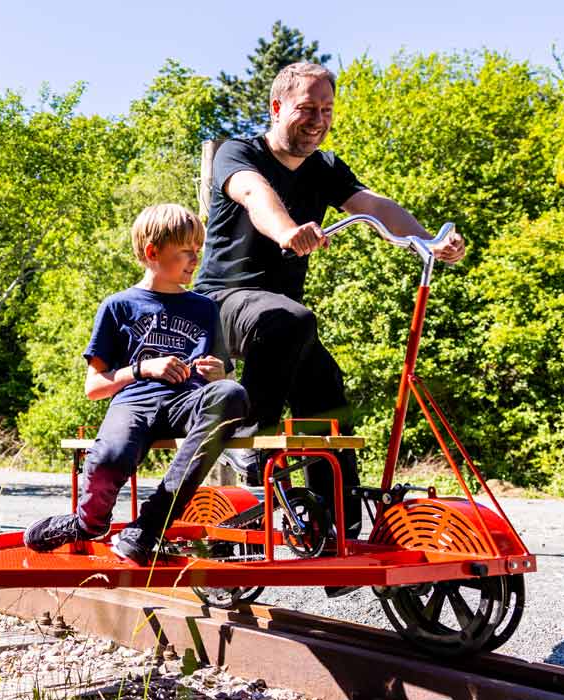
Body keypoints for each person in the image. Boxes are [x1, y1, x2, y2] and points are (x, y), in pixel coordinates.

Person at [196, 62, 467, 541]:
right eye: (306, 108)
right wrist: (286, 232)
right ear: (277, 108)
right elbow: (255, 194)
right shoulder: (239, 153)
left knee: (326, 391)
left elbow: (374, 207)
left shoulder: (324, 167)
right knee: (290, 317)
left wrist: (428, 241)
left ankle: (336, 531)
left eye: (326, 109)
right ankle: (245, 436)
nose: (317, 120)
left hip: (281, 322)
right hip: (221, 303)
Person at [23, 203, 249, 566]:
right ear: (152, 253)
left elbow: (225, 380)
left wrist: (219, 374)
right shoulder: (118, 307)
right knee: (109, 459)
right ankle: (85, 524)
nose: (195, 259)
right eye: (186, 252)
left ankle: (147, 528)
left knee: (232, 394)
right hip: (135, 403)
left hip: (186, 404)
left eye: (198, 250)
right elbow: (94, 387)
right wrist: (144, 368)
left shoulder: (205, 309)